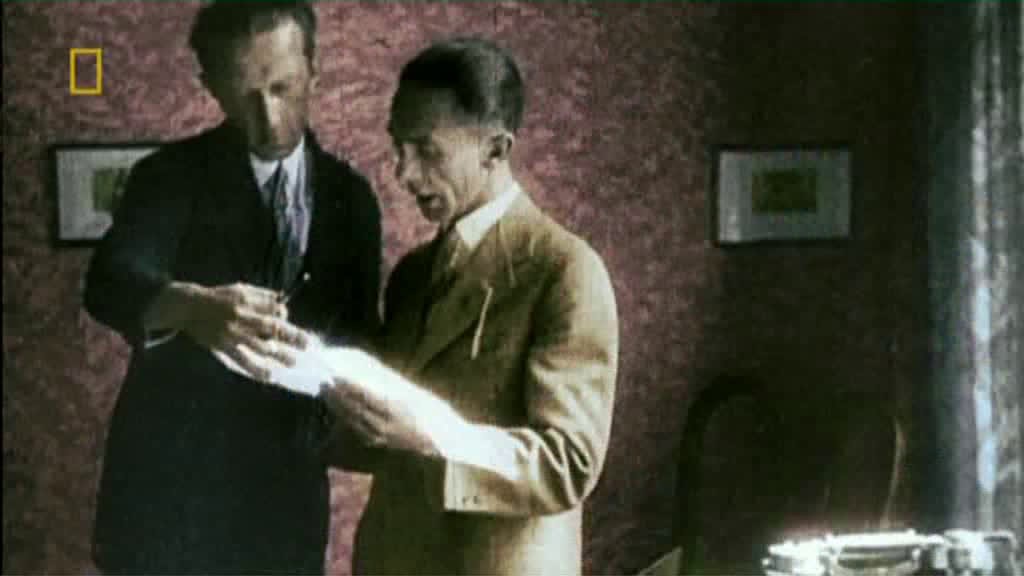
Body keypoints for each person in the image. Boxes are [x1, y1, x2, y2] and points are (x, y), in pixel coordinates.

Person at [82, 1, 381, 573]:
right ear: (211, 87)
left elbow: (360, 337)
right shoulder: (167, 176)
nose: (269, 118)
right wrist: (194, 308)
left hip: (286, 506)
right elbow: (110, 283)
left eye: (283, 88)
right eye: (245, 96)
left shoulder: (353, 198)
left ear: (314, 70)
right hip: (168, 505)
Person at [321, 37, 619, 575]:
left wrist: (435, 436)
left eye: (426, 150)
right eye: (399, 148)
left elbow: (568, 464)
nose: (404, 173)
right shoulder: (413, 275)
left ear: (496, 150)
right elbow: (387, 438)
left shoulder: (565, 270)